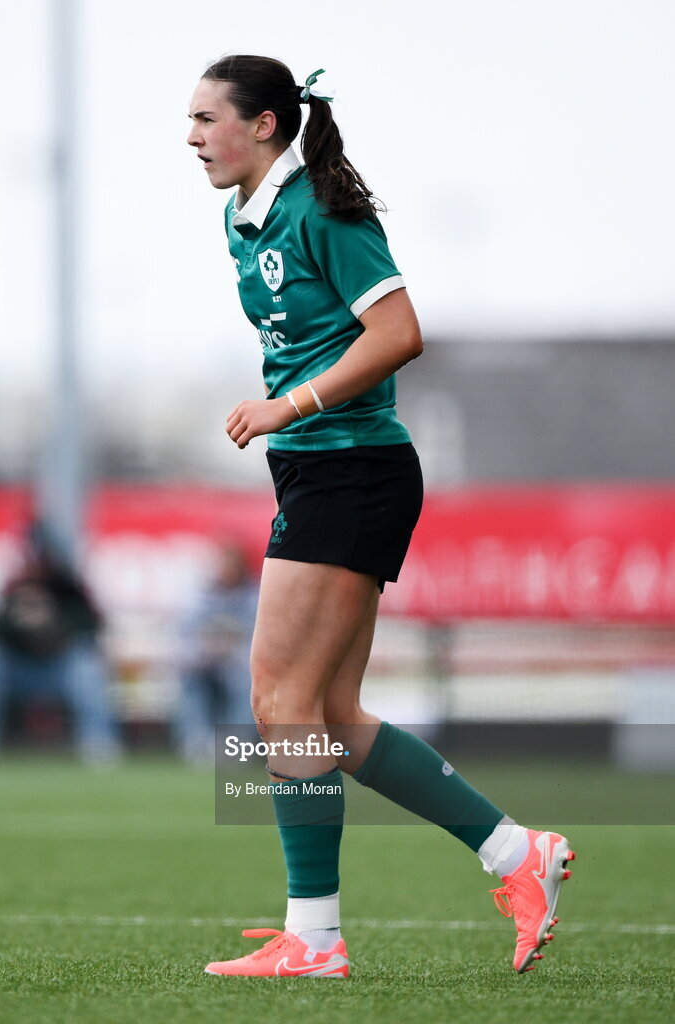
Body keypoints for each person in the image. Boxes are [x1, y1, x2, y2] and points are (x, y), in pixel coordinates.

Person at [187, 55, 575, 978]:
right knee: (328, 716)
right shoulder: (242, 218)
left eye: (209, 120)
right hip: (320, 472)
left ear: (267, 125)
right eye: (190, 124)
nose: (194, 138)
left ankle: (315, 940)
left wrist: (290, 405)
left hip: (349, 470)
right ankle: (515, 853)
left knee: (280, 705)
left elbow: (398, 334)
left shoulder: (321, 207)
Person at [0, 521, 122, 764]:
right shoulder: (14, 586)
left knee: (87, 665)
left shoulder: (69, 587)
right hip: (19, 670)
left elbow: (93, 626)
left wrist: (52, 622)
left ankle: (100, 742)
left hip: (61, 669)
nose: (37, 562)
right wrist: (21, 621)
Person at [173, 544, 258, 762]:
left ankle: (233, 746)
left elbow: (258, 639)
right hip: (206, 663)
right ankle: (196, 743)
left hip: (239, 664)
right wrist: (207, 650)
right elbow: (186, 636)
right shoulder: (201, 597)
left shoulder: (254, 596)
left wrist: (230, 649)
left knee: (246, 683)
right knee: (190, 679)